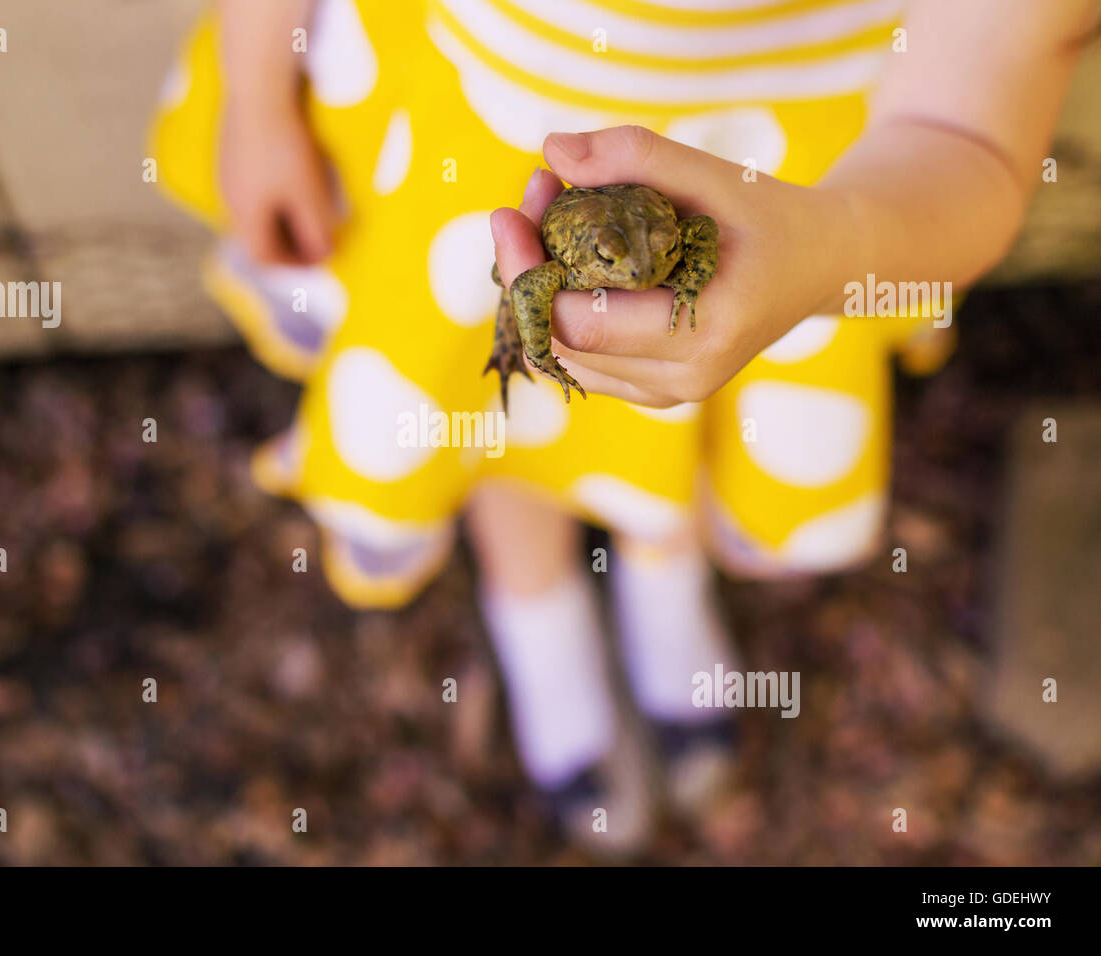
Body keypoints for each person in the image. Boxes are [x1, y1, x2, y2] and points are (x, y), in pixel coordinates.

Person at [150, 0, 1096, 854]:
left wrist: (835, 246)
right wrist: (259, 92)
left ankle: (661, 568)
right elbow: (527, 290)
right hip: (474, 102)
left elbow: (969, 123)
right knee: (506, 392)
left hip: (801, 155)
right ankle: (536, 598)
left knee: (695, 380)